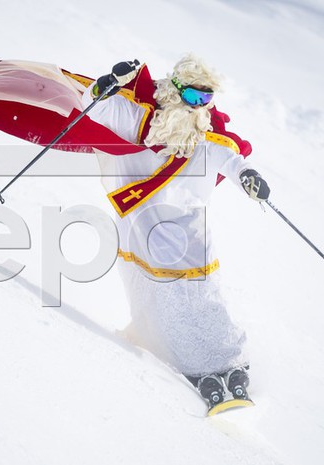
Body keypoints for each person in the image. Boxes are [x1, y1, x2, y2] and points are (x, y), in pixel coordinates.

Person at [80, 54, 270, 410]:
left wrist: (248, 177)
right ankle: (193, 367)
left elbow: (230, 159)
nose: (201, 106)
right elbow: (93, 109)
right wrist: (107, 84)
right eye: (195, 97)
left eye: (208, 99)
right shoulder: (138, 118)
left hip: (189, 229)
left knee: (203, 292)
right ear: (174, 90)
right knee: (167, 300)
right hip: (144, 228)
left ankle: (229, 360)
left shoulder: (203, 136)